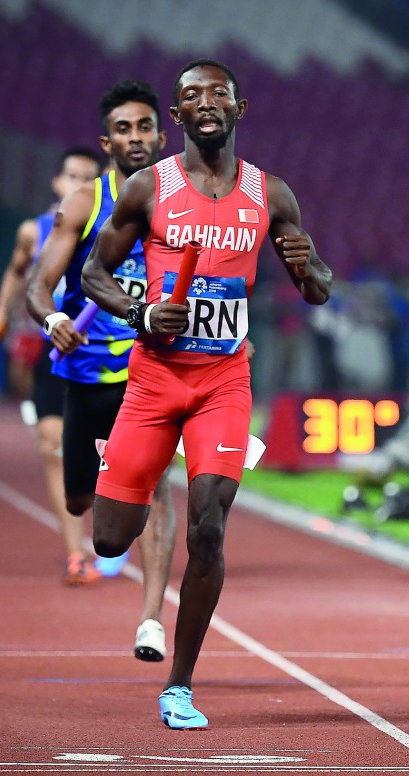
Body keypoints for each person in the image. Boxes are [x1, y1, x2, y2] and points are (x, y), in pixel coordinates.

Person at [79, 59, 332, 729]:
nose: (206, 104)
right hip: (156, 379)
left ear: (238, 109)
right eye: (191, 96)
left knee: (209, 526)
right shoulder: (147, 188)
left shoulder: (270, 194)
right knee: (110, 540)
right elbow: (93, 273)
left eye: (217, 94)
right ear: (179, 117)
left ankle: (180, 684)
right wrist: (140, 314)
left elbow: (317, 285)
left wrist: (310, 270)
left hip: (224, 382)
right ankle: (121, 481)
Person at [26, 80, 177, 660]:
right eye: (123, 129)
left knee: (157, 488)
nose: (135, 138)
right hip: (87, 373)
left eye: (144, 128)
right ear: (106, 140)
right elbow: (40, 289)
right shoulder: (86, 202)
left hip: (152, 370)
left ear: (163, 136)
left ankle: (150, 619)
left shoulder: (183, 200)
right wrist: (50, 321)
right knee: (81, 503)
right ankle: (107, 501)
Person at [0, 147, 102, 586]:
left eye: (88, 178)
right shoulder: (33, 231)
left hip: (106, 353)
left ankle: (113, 531)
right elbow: (17, 271)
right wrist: (0, 313)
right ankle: (76, 553)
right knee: (52, 444)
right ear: (57, 182)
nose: (78, 185)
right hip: (53, 351)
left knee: (109, 453)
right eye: (72, 176)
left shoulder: (114, 222)